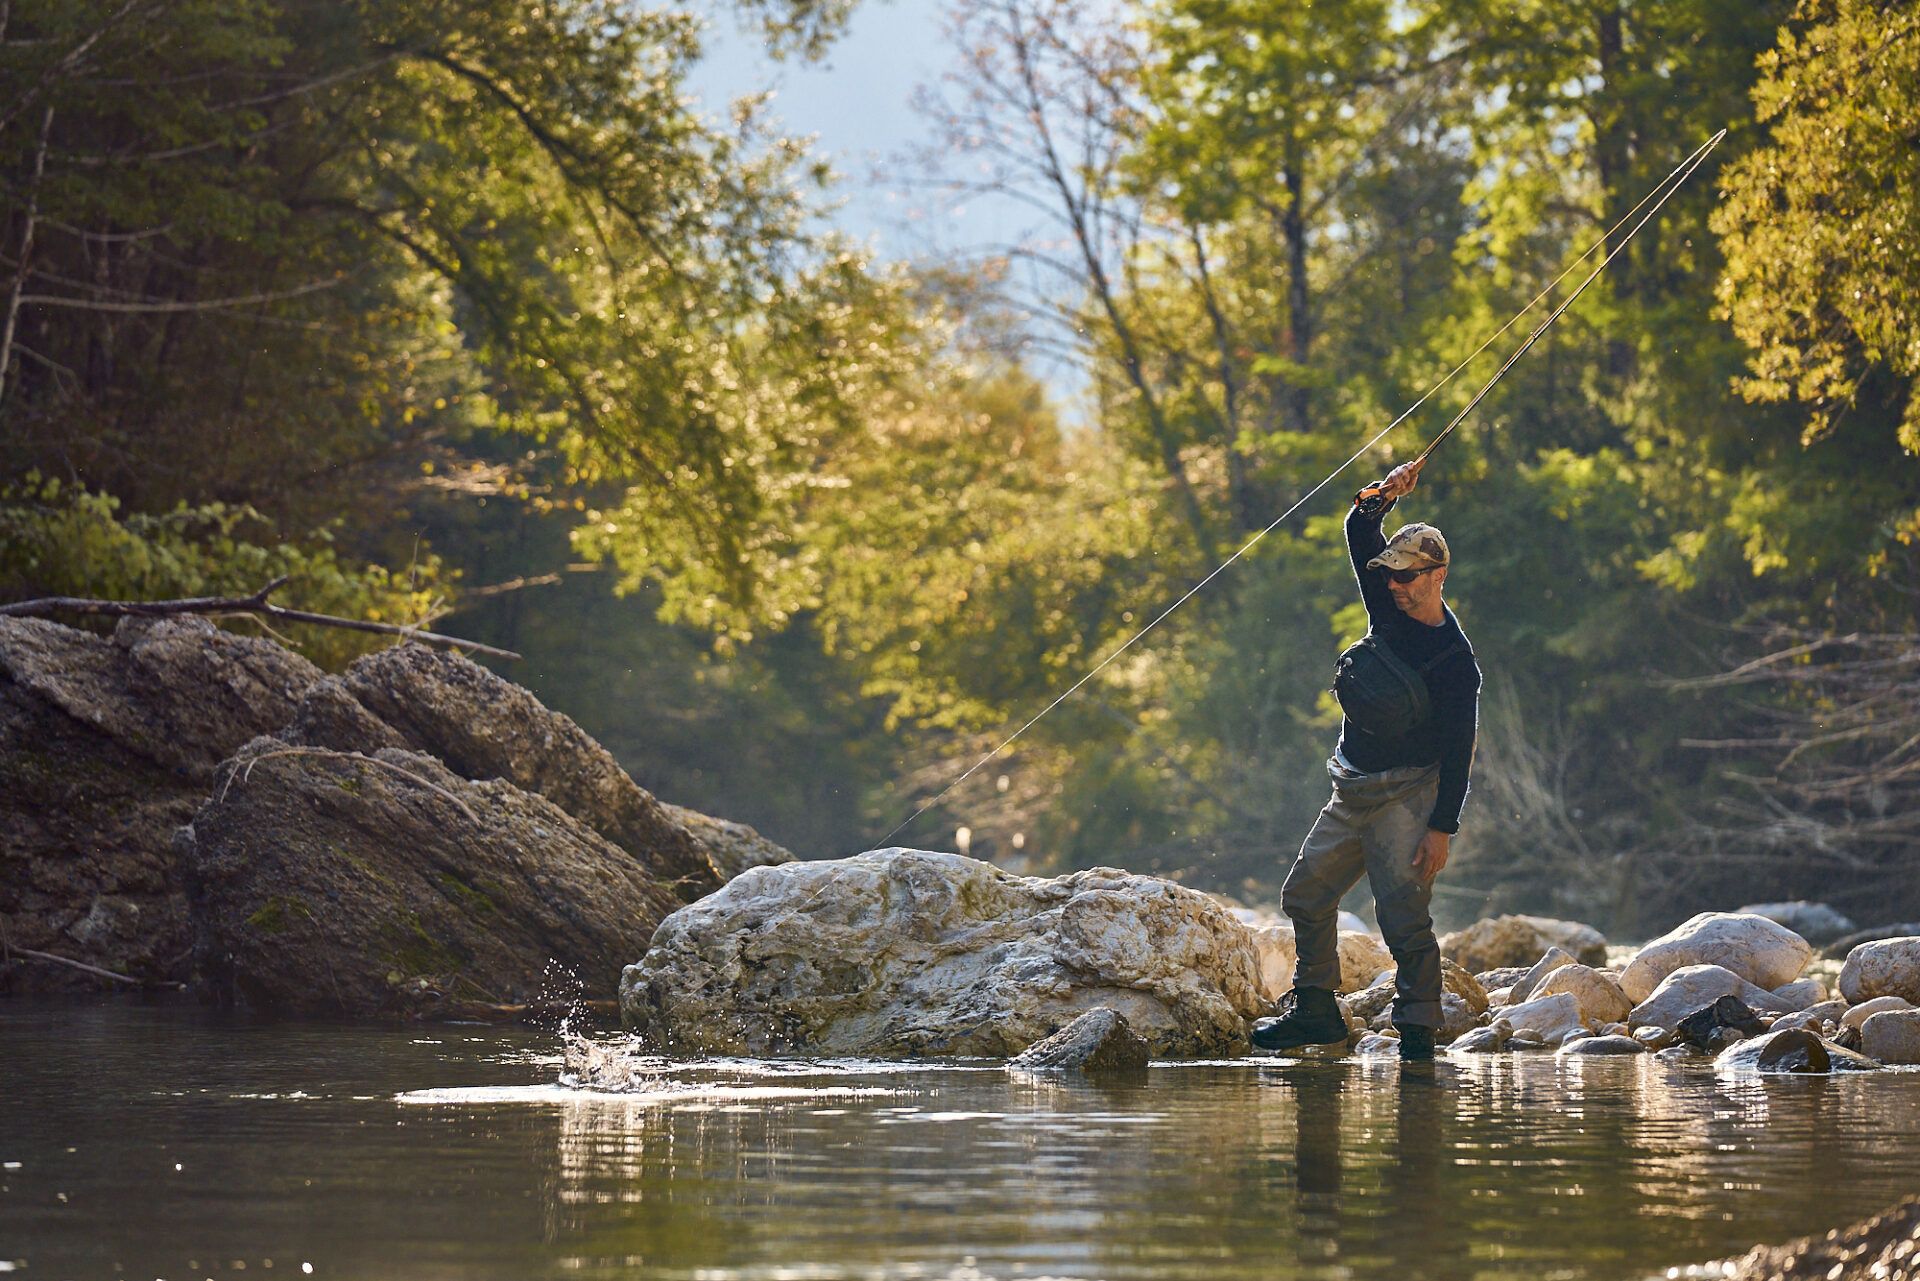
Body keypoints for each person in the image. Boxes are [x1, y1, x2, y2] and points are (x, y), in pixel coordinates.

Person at [1251, 456, 1481, 1062]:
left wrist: (1441, 829)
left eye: (1407, 577)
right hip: (1349, 788)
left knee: (1402, 915)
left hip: (1409, 795)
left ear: (1436, 575)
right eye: (1391, 575)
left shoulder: (1457, 663)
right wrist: (1385, 493)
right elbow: (1358, 531)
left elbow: (1460, 752)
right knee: (1304, 893)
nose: (1395, 584)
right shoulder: (1387, 603)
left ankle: (1417, 1039)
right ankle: (1317, 1012)